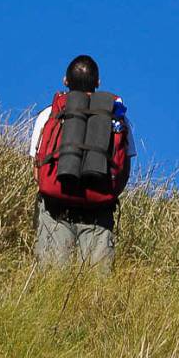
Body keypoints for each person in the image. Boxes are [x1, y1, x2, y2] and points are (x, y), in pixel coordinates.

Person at [30, 55, 136, 272]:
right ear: (98, 83)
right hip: (99, 211)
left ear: (65, 81)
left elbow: (37, 167)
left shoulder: (50, 114)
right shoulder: (116, 118)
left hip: (55, 208)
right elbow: (124, 167)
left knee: (52, 282)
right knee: (96, 289)